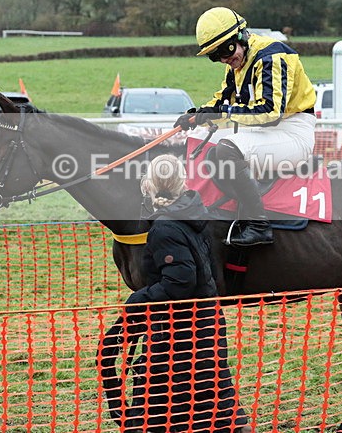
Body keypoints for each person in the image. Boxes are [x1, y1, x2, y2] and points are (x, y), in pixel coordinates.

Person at [103, 154, 251, 433]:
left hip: (180, 332)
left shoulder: (165, 229)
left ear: (148, 185)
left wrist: (138, 299)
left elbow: (181, 280)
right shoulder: (192, 216)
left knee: (154, 398)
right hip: (204, 325)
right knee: (214, 400)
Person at [175, 7, 317, 246]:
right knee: (205, 142)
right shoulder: (236, 65)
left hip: (292, 131)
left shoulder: (273, 56)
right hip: (266, 132)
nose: (223, 59)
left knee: (226, 149)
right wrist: (197, 115)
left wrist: (221, 113)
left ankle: (258, 224)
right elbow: (222, 101)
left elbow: (270, 112)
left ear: (240, 36)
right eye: (214, 55)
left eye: (224, 50)